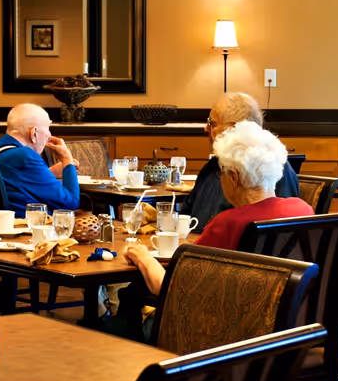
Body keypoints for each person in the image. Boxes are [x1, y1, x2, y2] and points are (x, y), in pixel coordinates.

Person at [123, 120, 312, 295]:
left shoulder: (227, 224)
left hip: (222, 329)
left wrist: (143, 257)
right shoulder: (303, 210)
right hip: (292, 325)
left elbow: (171, 287)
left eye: (221, 172)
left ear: (234, 178)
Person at [187, 91, 298, 228]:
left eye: (212, 123)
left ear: (234, 128)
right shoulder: (211, 167)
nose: (206, 129)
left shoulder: (271, 170)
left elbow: (278, 233)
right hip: (192, 245)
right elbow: (186, 216)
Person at [0, 103, 80, 214]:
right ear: (34, 133)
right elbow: (70, 202)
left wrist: (51, 172)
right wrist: (67, 159)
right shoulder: (26, 156)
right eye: (47, 129)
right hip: (26, 226)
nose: (49, 135)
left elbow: (19, 182)